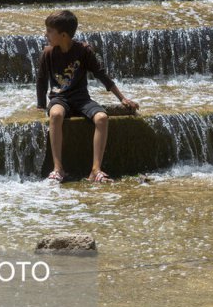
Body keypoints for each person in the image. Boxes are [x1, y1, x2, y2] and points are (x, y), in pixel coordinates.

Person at [36, 10, 139, 183]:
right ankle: (58, 168)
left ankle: (95, 170)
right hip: (59, 99)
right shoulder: (48, 53)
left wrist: (122, 98)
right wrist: (40, 106)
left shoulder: (83, 51)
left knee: (102, 118)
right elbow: (41, 81)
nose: (45, 34)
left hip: (81, 98)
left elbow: (101, 74)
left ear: (63, 35)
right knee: (55, 115)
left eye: (49, 31)